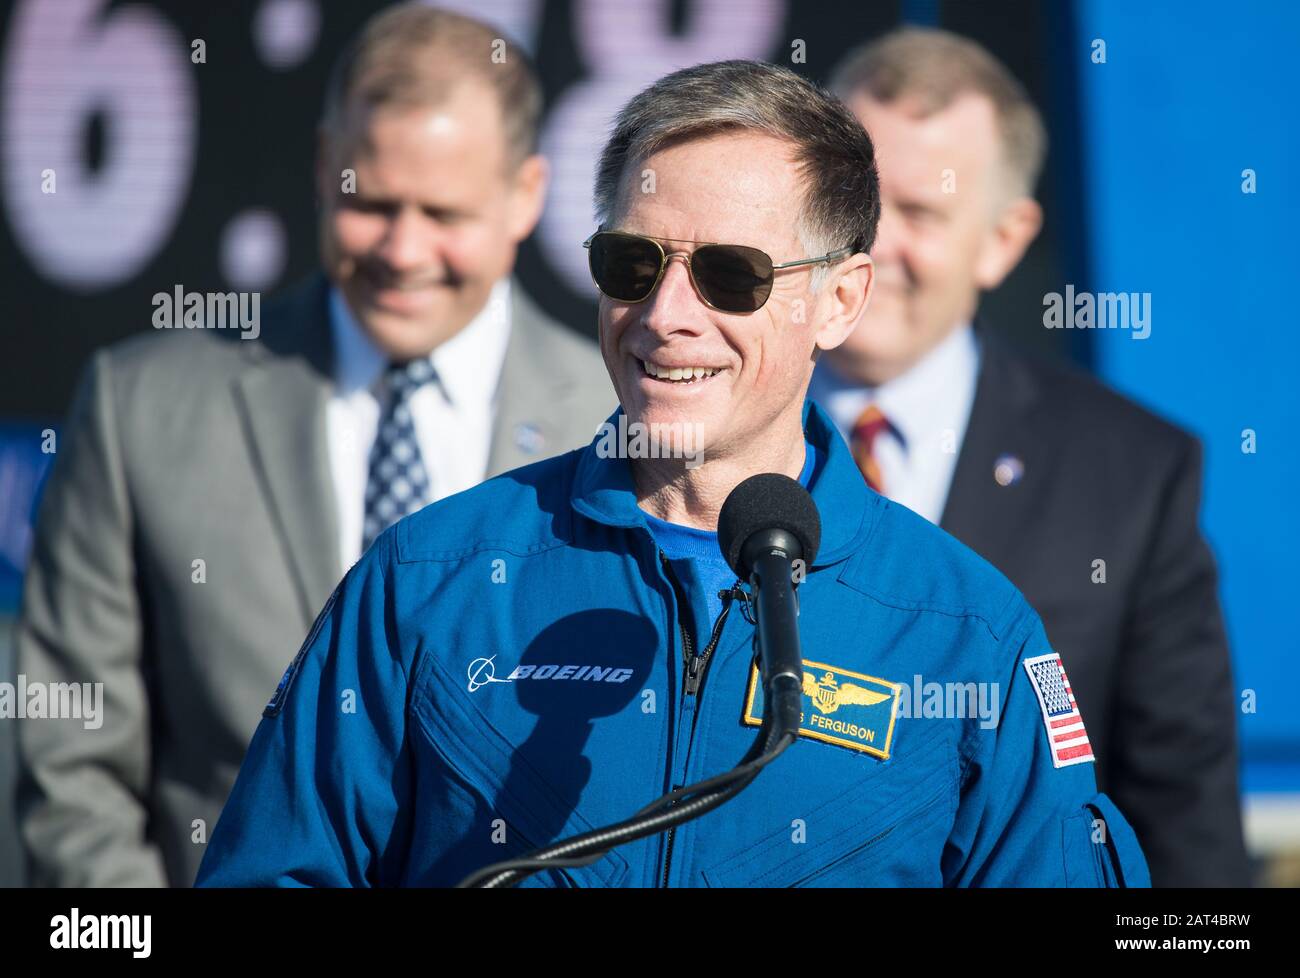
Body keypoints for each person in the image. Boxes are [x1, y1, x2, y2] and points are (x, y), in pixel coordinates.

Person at [196, 59, 1149, 888]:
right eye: (632, 263)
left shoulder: (966, 635)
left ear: (840, 299)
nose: (666, 314)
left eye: (731, 276)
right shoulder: (424, 582)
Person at [15, 4, 610, 888]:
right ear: (327, 166)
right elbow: (71, 765)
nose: (403, 250)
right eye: (370, 202)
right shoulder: (141, 406)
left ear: (526, 195)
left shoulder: (613, 423)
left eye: (443, 211)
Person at [814, 27, 1248, 887]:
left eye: (922, 212)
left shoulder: (1129, 473)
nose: (871, 246)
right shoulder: (704, 426)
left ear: (1004, 240)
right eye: (851, 201)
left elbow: (1182, 825)